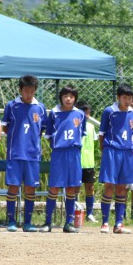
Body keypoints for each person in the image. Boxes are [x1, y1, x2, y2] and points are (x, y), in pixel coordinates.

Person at [2, 75, 47, 232]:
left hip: (32, 155)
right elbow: (5, 128)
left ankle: (27, 222)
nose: (29, 94)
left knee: (30, 188)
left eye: (32, 91)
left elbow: (41, 130)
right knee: (13, 187)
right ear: (20, 90)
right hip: (15, 153)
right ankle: (11, 221)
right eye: (26, 91)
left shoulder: (40, 108)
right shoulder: (12, 106)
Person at [43, 85, 86, 233]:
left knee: (71, 188)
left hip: (74, 153)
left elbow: (82, 134)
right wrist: (59, 145)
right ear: (61, 97)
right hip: (59, 153)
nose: (68, 99)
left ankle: (69, 223)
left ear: (75, 98)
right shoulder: (54, 113)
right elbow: (49, 135)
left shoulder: (80, 114)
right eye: (66, 96)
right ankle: (47, 222)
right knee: (54, 187)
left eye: (72, 96)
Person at [98, 83, 133, 234]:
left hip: (127, 152)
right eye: (124, 97)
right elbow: (101, 135)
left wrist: (127, 144)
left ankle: (119, 223)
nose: (127, 101)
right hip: (111, 151)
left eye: (129, 98)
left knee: (122, 187)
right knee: (109, 185)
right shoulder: (109, 111)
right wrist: (106, 151)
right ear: (118, 97)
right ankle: (105, 222)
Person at [77, 100, 98, 223]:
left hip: (89, 163)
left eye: (88, 113)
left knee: (90, 187)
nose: (87, 116)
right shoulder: (75, 126)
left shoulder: (91, 127)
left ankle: (89, 213)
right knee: (74, 188)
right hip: (77, 162)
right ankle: (74, 212)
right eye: (84, 113)